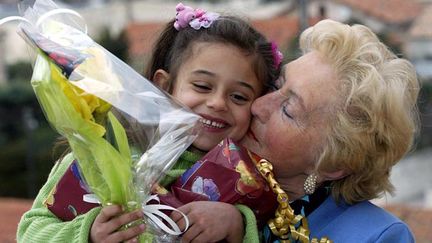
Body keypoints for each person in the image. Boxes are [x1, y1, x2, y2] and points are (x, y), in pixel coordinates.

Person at [17, 3, 280, 243]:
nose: (218, 103)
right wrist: (88, 234)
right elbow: (30, 232)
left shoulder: (253, 182)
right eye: (202, 86)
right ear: (163, 85)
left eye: (239, 96)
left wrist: (238, 225)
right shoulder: (97, 156)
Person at [235, 19, 418, 242]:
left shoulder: (378, 237)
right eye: (276, 85)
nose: (258, 106)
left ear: (333, 163)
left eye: (288, 110)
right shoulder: (200, 173)